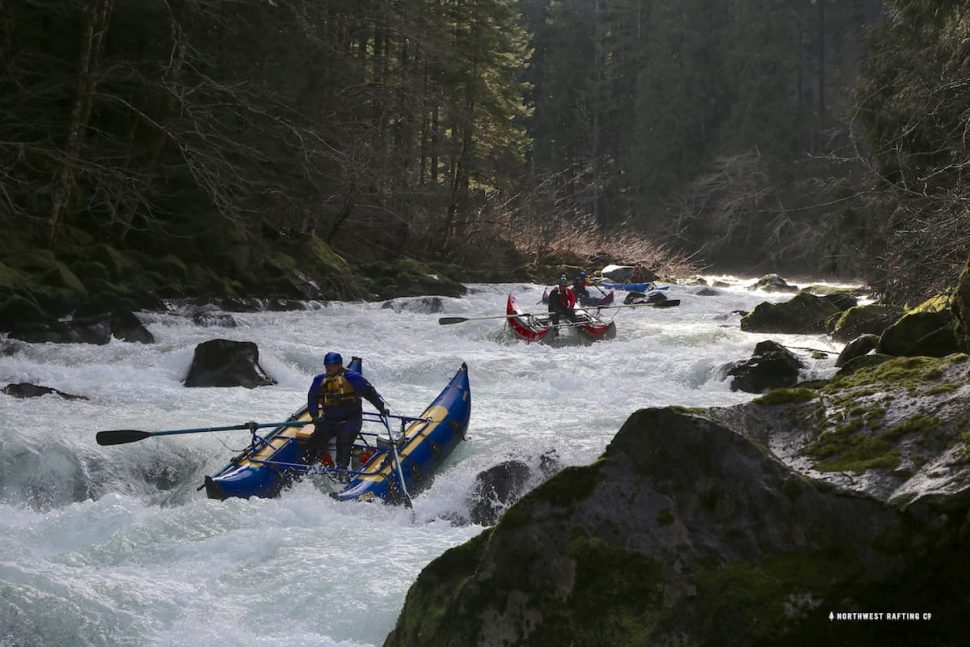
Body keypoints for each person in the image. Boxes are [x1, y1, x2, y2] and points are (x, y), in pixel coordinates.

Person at [305, 352, 388, 479]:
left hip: (350, 420)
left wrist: (381, 408)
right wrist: (314, 415)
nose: (329, 368)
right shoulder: (319, 380)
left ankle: (342, 472)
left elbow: (370, 393)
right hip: (329, 420)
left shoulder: (353, 378)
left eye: (332, 365)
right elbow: (312, 398)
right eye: (327, 365)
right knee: (314, 442)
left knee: (344, 443)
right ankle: (307, 468)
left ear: (339, 365)